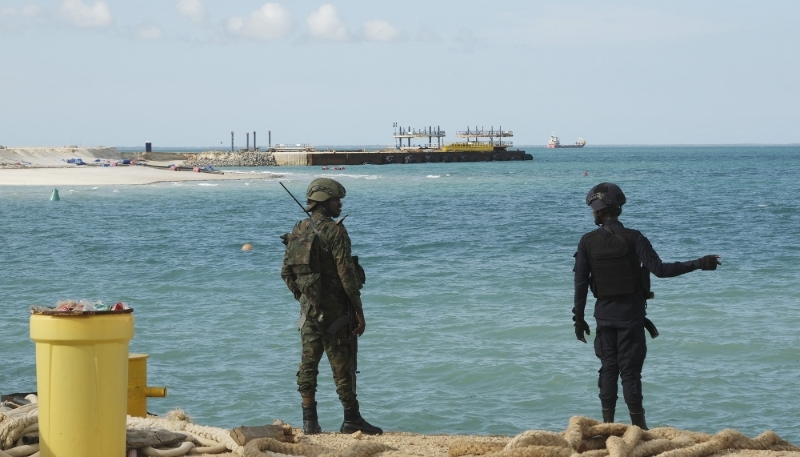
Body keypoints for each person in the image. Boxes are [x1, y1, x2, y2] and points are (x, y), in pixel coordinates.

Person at [573, 182, 721, 430]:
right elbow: (661, 270)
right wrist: (699, 263)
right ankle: (639, 430)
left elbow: (580, 285)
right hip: (631, 318)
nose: (592, 213)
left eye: (593, 209)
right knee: (630, 374)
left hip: (604, 318)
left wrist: (579, 320)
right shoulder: (634, 238)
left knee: (608, 369)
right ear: (618, 208)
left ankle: (607, 426)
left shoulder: (587, 241)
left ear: (600, 211)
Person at [281, 178, 383, 435]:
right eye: (337, 200)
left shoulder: (299, 229)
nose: (340, 204)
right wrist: (359, 312)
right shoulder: (335, 231)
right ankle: (351, 419)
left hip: (309, 311)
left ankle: (309, 423)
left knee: (308, 363)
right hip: (336, 312)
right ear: (326, 202)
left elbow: (286, 273)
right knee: (343, 365)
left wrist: (305, 298)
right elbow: (347, 276)